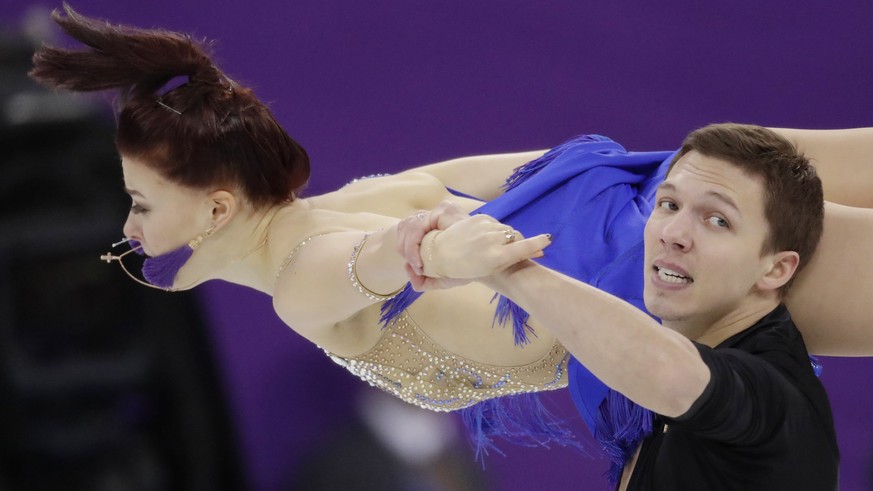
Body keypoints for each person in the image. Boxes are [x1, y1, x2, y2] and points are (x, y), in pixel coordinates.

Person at [28, 5, 873, 460]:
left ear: (215, 209)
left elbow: (367, 264)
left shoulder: (300, 279)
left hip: (659, 256)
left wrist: (435, 254)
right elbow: (530, 168)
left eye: (139, 202)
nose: (129, 224)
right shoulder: (371, 190)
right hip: (662, 193)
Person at [399, 123, 839, 489]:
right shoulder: (679, 389)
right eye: (668, 204)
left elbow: (671, 374)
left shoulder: (780, 399)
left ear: (776, 270)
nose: (672, 232)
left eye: (717, 220)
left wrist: (499, 266)